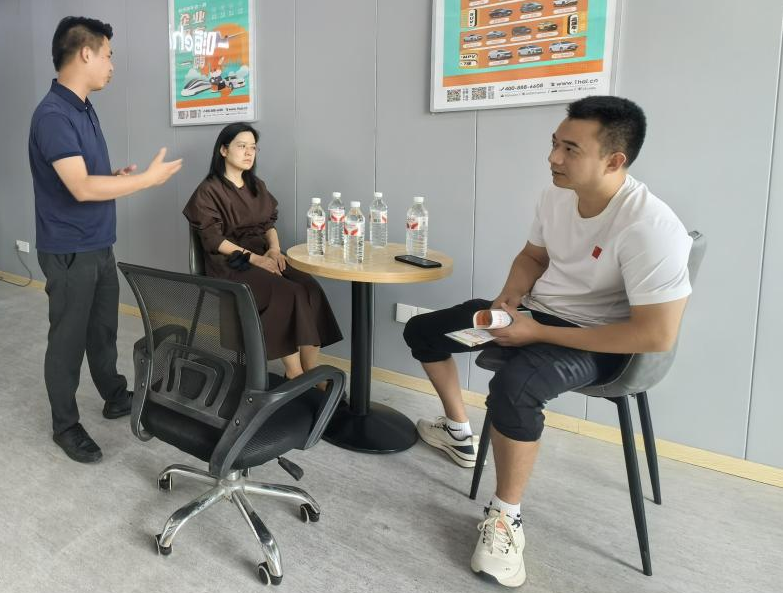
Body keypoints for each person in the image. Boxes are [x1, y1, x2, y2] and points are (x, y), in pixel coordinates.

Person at [401, 96, 691, 588]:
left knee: (514, 387)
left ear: (614, 160)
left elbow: (655, 334)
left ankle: (505, 517)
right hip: (537, 314)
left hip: (602, 340)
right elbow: (532, 258)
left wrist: (535, 332)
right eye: (555, 144)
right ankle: (457, 430)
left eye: (570, 149)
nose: (553, 158)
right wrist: (509, 301)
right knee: (423, 330)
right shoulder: (557, 194)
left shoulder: (651, 227)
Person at [29, 16, 182, 464]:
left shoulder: (83, 107)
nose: (112, 65)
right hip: (69, 249)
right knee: (67, 341)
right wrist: (146, 180)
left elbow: (81, 176)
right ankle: (65, 426)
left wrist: (113, 177)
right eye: (109, 55)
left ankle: (114, 396)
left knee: (102, 331)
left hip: (98, 241)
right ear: (85, 53)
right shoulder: (53, 115)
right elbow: (80, 188)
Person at [182, 122, 342, 379]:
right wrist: (255, 260)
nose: (249, 153)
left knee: (309, 288)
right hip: (230, 262)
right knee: (288, 292)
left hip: (263, 253)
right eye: (241, 146)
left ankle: (311, 370)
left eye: (253, 147)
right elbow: (213, 239)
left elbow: (268, 224)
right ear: (223, 150)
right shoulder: (208, 191)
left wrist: (275, 251)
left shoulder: (256, 185)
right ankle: (294, 372)